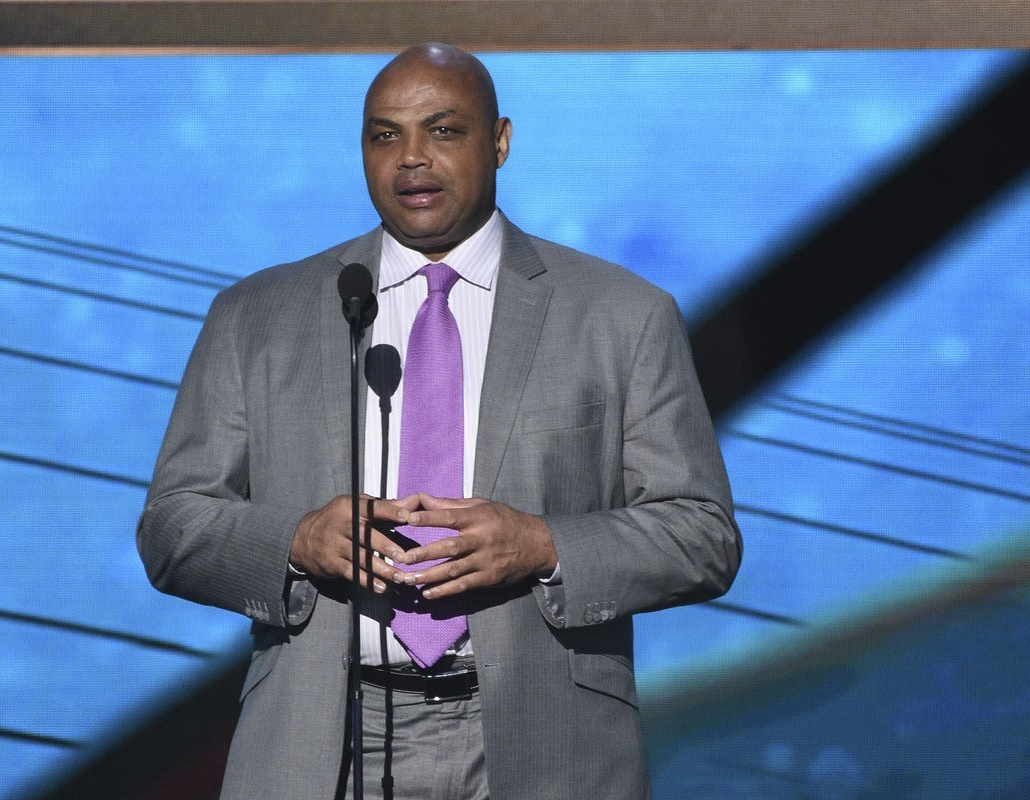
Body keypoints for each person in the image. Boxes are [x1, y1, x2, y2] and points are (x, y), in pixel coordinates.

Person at [137, 42, 741, 800]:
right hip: (322, 741)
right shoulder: (255, 317)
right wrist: (296, 541)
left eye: (444, 130)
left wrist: (543, 544)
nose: (411, 158)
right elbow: (173, 527)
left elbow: (702, 536)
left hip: (545, 743)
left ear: (500, 141)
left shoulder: (622, 315)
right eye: (384, 135)